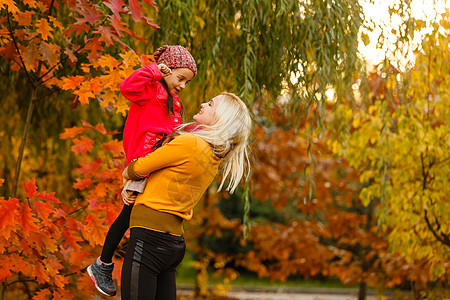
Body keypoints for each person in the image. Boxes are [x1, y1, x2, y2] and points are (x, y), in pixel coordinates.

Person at [87, 45, 197, 297]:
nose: (182, 85)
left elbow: (172, 133)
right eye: (180, 78)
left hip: (155, 163)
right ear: (166, 68)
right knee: (128, 213)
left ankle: (105, 263)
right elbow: (127, 86)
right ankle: (102, 264)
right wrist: (153, 71)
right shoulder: (148, 90)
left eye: (186, 82)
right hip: (142, 161)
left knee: (133, 213)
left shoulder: (173, 100)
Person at [120, 92, 251, 300]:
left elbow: (140, 167)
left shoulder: (190, 143)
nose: (202, 104)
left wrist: (127, 174)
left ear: (221, 117)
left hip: (149, 234)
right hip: (173, 241)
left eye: (210, 104)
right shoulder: (212, 155)